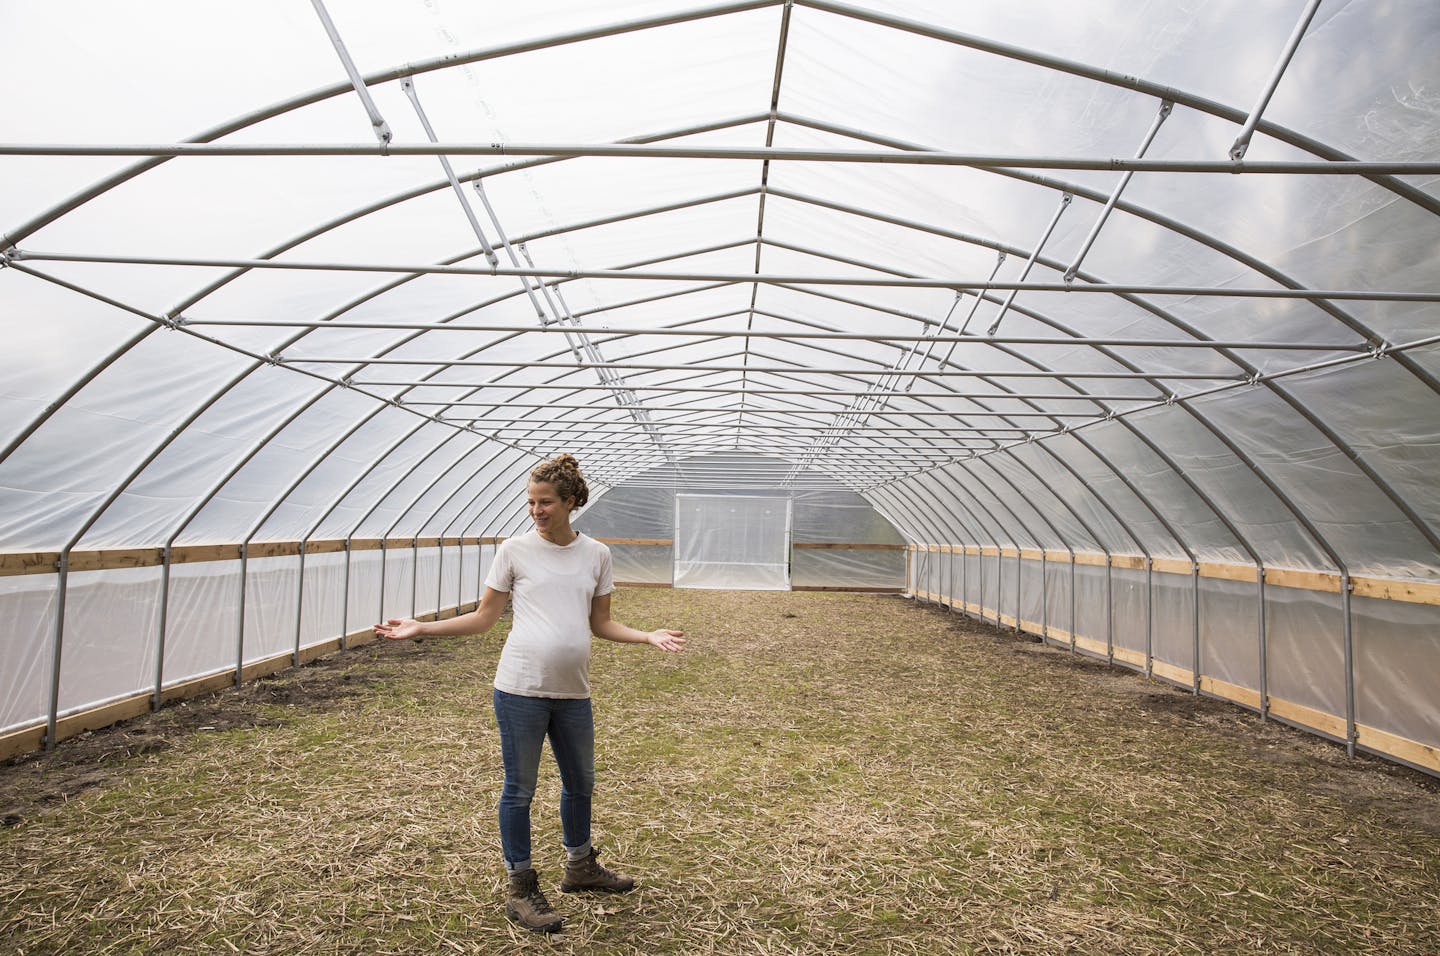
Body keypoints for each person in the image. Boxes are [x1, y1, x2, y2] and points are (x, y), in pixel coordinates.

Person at [374, 453, 685, 934]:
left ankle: (580, 866)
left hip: (573, 693)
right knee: (519, 790)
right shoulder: (514, 550)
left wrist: (646, 636)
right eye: (531, 502)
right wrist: (422, 629)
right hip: (520, 689)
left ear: (570, 502)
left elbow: (600, 623)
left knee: (580, 784)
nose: (536, 511)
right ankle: (520, 887)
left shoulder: (596, 554)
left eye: (546, 502)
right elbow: (483, 618)